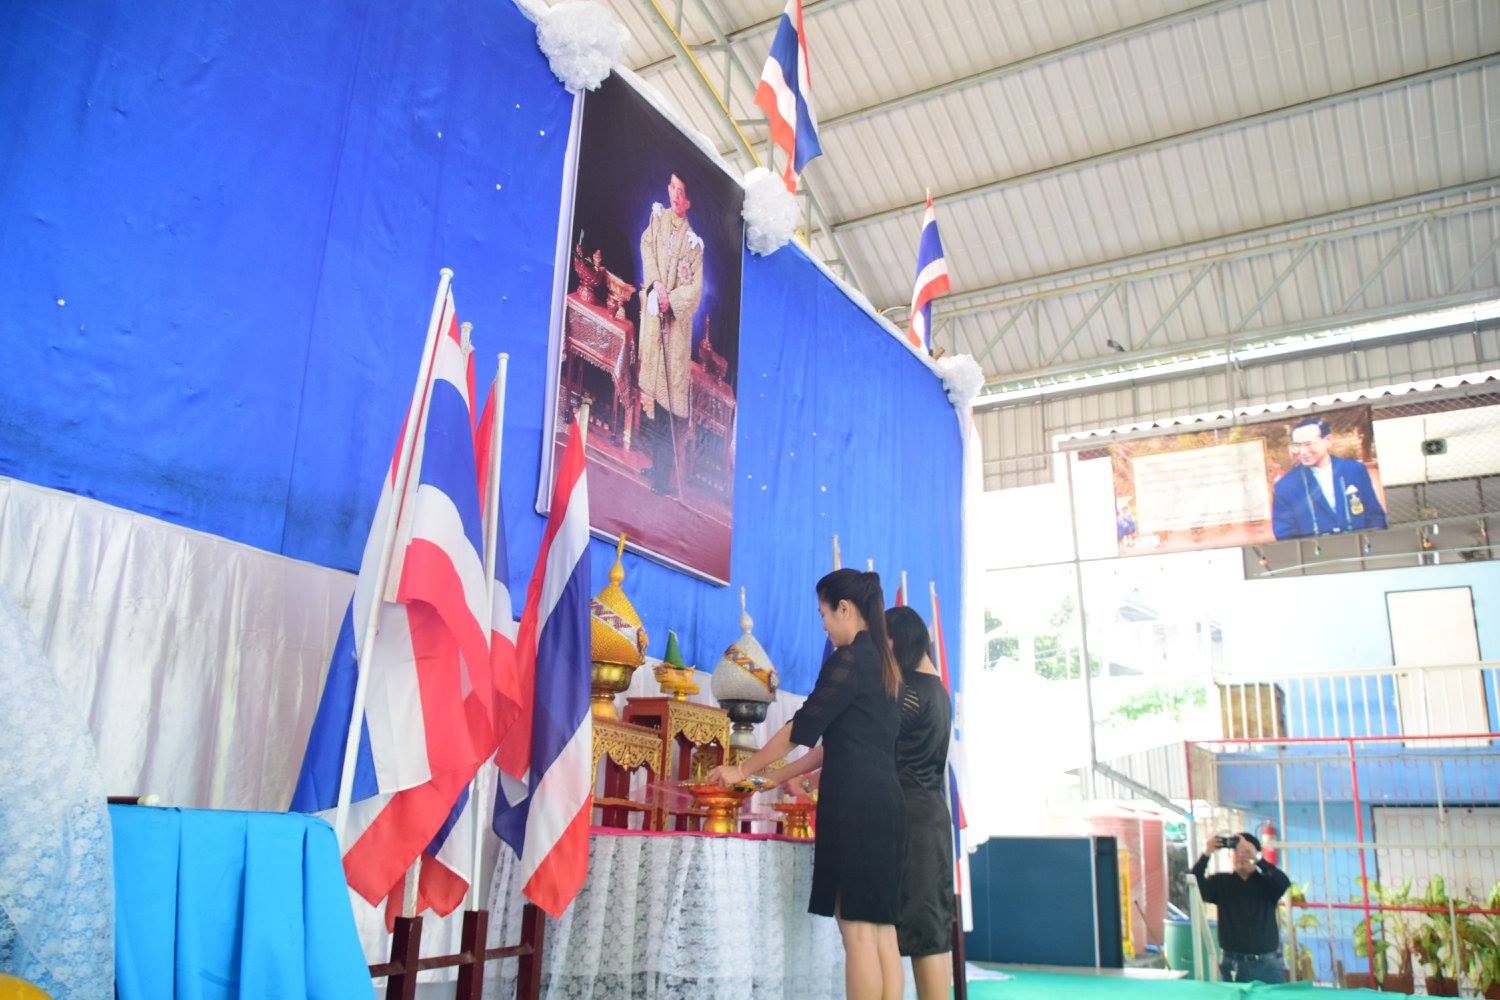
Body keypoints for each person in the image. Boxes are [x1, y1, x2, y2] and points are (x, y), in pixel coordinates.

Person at [708, 569, 907, 1000]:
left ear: (845, 609)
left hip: (854, 805)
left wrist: (742, 770)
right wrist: (771, 778)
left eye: (824, 614)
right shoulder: (886, 665)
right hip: (886, 803)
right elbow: (835, 744)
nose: (824, 625)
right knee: (881, 932)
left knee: (857, 933)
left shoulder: (849, 660)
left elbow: (801, 729)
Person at [636, 172, 703, 495]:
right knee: (652, 397)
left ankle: (663, 477)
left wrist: (670, 300)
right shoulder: (657, 219)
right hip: (654, 323)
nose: (676, 195)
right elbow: (647, 246)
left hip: (673, 332)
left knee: (665, 406)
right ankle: (657, 465)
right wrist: (655, 284)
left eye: (682, 191)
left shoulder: (694, 245)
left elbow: (695, 290)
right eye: (673, 188)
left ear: (688, 201)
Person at [1191, 832, 1291, 983]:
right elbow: (1193, 884)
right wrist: (1206, 854)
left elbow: (1284, 883)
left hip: (1268, 965)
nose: (1240, 856)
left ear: (1254, 854)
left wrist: (1258, 858)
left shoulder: (1268, 883)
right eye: (1236, 852)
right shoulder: (1221, 882)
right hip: (1233, 964)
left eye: (1246, 852)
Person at [1271, 417, 1387, 539]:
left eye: (1308, 444)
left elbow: (1375, 516)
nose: (1303, 451)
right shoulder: (1285, 486)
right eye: (1297, 445)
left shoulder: (1354, 470)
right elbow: (1284, 534)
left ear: (1328, 441)